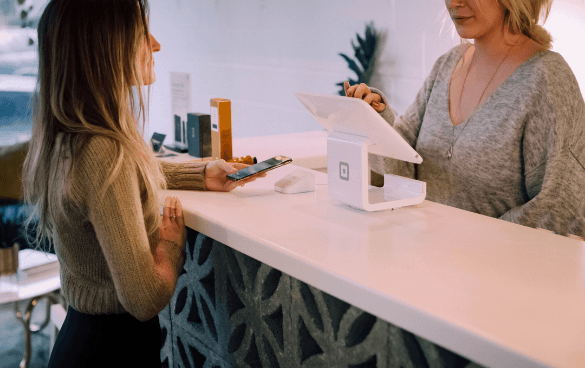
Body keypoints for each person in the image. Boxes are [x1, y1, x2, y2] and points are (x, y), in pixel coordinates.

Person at [21, 1, 264, 367]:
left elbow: (124, 177)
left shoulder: (72, 137)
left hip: (84, 342)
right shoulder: (103, 151)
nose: (156, 44)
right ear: (106, 47)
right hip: (110, 352)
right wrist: (170, 243)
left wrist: (200, 174)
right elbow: (145, 298)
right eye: (141, 33)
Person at [345, 0, 585, 239]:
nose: (454, 3)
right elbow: (403, 167)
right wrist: (374, 120)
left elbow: (558, 209)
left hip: (491, 271)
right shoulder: (447, 64)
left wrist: (468, 247)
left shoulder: (546, 80)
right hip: (421, 258)